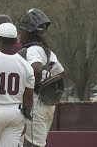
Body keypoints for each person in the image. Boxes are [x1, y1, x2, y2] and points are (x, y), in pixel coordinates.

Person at [16, 8, 66, 147]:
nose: (20, 34)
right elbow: (61, 74)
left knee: (33, 145)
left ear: (29, 32)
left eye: (22, 30)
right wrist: (46, 83)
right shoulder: (47, 50)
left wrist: (33, 88)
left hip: (36, 103)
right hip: (47, 105)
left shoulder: (33, 49)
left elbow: (36, 68)